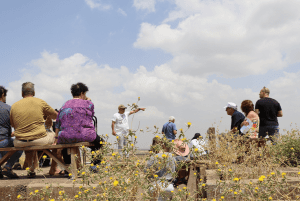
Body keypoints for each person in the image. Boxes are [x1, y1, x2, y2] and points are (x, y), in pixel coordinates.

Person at [10, 82, 58, 178]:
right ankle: (53, 168)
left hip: (19, 142)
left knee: (28, 137)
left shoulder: (14, 106)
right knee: (56, 137)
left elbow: (12, 124)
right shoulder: (40, 102)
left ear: (22, 93)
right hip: (39, 140)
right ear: (34, 92)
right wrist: (47, 116)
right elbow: (57, 116)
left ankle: (31, 169)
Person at [55, 82, 104, 173]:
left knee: (66, 145)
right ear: (82, 93)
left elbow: (58, 123)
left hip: (66, 135)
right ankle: (94, 167)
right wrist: (89, 101)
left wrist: (56, 137)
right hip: (84, 134)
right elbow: (91, 115)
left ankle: (68, 168)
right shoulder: (88, 103)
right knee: (100, 143)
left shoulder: (64, 105)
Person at [0, 86, 23, 179]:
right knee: (20, 146)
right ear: (2, 95)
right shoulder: (9, 108)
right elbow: (17, 125)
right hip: (3, 140)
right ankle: (8, 167)